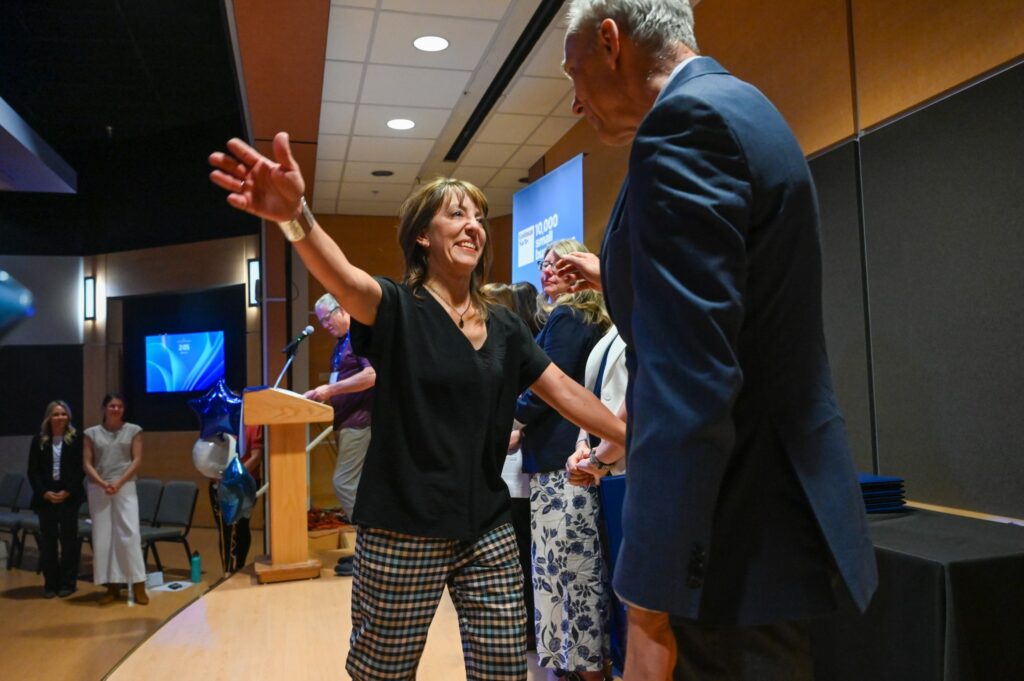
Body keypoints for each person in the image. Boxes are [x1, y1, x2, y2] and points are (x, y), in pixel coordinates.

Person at [208, 133, 627, 681]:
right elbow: (342, 277)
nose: (474, 224)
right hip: (402, 528)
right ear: (424, 237)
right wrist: (296, 216)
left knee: (504, 670)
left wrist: (630, 432)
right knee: (383, 672)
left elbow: (567, 393)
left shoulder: (503, 325)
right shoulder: (395, 307)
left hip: (486, 527)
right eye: (456, 214)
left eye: (479, 216)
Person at [560, 2, 878, 679]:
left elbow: (692, 380)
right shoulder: (741, 104)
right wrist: (631, 431)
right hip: (759, 525)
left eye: (573, 69)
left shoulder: (687, 125)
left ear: (610, 42)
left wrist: (647, 602)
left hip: (727, 541)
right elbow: (723, 344)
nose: (574, 97)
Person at [515, 239, 611, 680]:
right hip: (569, 459)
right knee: (569, 572)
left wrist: (509, 419)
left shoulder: (567, 316)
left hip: (562, 465)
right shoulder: (581, 317)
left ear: (580, 269)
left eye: (558, 263)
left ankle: (582, 668)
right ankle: (579, 666)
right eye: (544, 264)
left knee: (567, 574)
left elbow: (548, 386)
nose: (547, 271)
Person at [481, 281, 536, 652]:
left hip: (520, 467)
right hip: (503, 465)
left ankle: (527, 632)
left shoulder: (520, 347)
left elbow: (538, 400)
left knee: (521, 552)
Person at [304, 293, 375, 577]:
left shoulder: (360, 335)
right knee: (356, 486)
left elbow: (372, 376)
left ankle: (372, 549)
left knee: (343, 483)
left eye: (326, 318)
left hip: (361, 423)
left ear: (342, 309)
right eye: (319, 321)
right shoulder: (341, 344)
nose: (324, 325)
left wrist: (330, 390)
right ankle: (366, 552)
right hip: (347, 423)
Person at [83, 393, 148, 605]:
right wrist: (102, 483)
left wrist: (118, 483)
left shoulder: (134, 430)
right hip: (98, 488)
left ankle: (138, 585)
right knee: (103, 538)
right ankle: (111, 587)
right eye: (112, 406)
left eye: (119, 406)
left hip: (125, 486)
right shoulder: (91, 433)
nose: (116, 409)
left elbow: (137, 460)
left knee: (129, 534)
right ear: (104, 408)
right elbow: (87, 463)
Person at [27, 400, 85, 598]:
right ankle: (50, 583)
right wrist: (44, 492)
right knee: (48, 542)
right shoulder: (39, 440)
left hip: (69, 496)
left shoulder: (77, 439)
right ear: (49, 418)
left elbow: (80, 469)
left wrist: (68, 491)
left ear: (68, 417)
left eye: (63, 414)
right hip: (46, 497)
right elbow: (32, 471)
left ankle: (68, 583)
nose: (60, 418)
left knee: (69, 541)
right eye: (56, 414)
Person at [209, 424, 263, 574]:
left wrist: (234, 476)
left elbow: (256, 457)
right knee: (224, 529)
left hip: (243, 483)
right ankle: (226, 571)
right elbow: (207, 454)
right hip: (218, 483)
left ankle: (239, 568)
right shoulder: (218, 427)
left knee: (241, 527)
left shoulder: (252, 425)